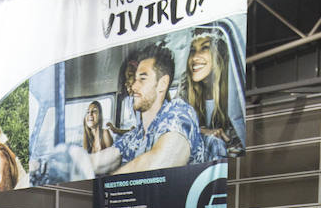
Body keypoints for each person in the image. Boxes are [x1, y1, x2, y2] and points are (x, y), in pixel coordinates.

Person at [90, 44, 205, 175]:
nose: (134, 86)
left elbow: (161, 161)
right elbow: (106, 159)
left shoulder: (179, 113)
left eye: (142, 79)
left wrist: (105, 188)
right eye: (135, 79)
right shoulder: (136, 135)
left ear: (162, 84)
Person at [183, 32, 243, 160]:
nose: (194, 58)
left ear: (220, 54)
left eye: (205, 48)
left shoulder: (236, 99)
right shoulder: (185, 94)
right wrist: (203, 131)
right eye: (192, 50)